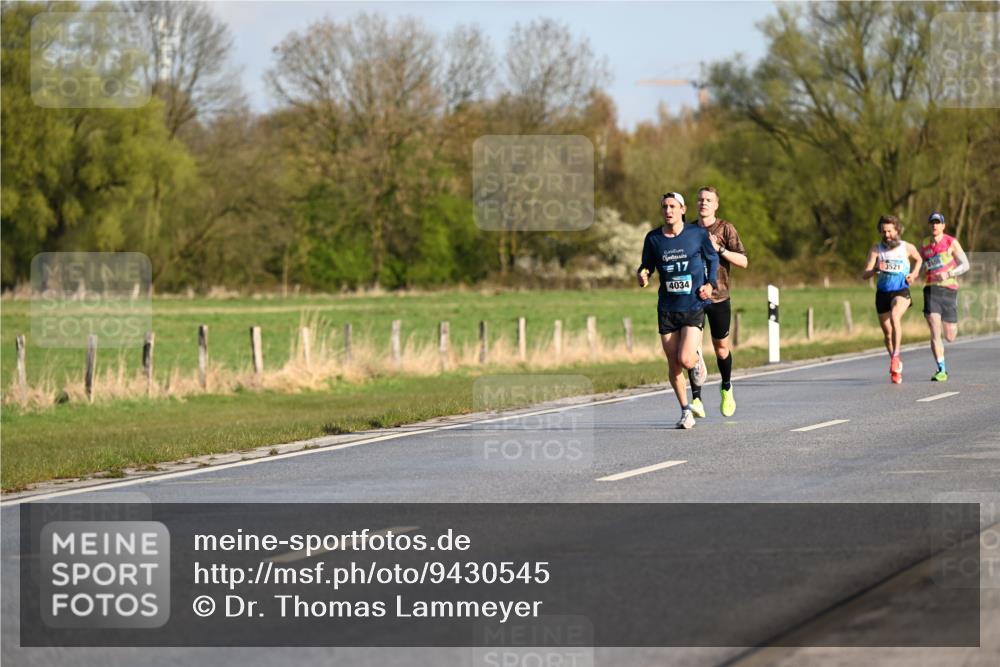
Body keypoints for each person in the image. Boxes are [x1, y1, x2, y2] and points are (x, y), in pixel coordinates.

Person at [638, 192, 719, 428]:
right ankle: (686, 411)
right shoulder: (653, 238)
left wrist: (709, 283)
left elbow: (712, 259)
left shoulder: (697, 234)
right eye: (664, 206)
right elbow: (646, 266)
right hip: (667, 307)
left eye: (673, 206)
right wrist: (643, 275)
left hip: (693, 303)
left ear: (683, 210)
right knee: (673, 363)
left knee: (685, 358)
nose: (668, 210)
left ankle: (695, 361)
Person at [686, 186, 748, 419]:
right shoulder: (689, 230)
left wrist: (719, 248)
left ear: (716, 205)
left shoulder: (725, 228)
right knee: (692, 349)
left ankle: (726, 386)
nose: (703, 203)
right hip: (692, 298)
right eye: (700, 199)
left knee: (721, 348)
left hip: (720, 296)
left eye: (708, 200)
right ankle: (697, 399)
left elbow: (743, 261)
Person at [860, 215, 922, 384]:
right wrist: (874, 269)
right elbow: (864, 275)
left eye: (890, 231)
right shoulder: (876, 249)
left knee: (896, 317)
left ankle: (896, 356)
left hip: (901, 290)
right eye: (883, 231)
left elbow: (919, 259)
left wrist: (914, 274)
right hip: (882, 294)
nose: (887, 235)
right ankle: (895, 365)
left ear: (897, 230)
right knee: (887, 335)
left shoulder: (906, 247)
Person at [920, 212, 970, 381]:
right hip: (931, 289)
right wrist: (918, 272)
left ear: (943, 225)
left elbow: (966, 265)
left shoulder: (951, 242)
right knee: (935, 329)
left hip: (949, 289)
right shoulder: (925, 244)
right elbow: (922, 265)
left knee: (950, 336)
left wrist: (949, 273)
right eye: (932, 223)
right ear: (929, 225)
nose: (934, 225)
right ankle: (941, 369)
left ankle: (949, 321)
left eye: (937, 222)